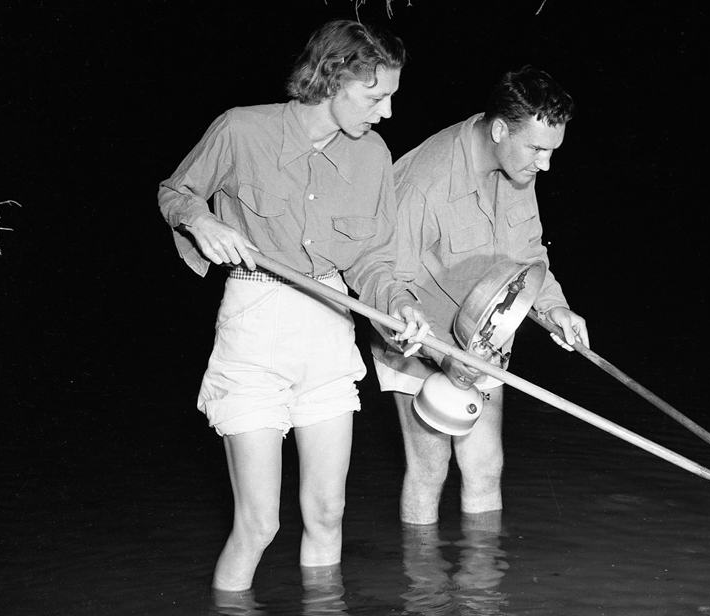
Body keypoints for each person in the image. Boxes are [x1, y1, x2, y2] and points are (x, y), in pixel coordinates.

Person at [157, 19, 429, 592]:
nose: (385, 113)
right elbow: (175, 191)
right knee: (259, 524)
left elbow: (374, 261)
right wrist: (201, 218)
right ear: (334, 76)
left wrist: (400, 306)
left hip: (330, 330)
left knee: (328, 516)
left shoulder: (374, 156)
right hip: (255, 325)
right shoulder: (240, 129)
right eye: (376, 96)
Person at [371, 67, 590, 525]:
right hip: (417, 342)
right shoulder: (423, 184)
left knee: (486, 468)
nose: (545, 165)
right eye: (537, 149)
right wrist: (442, 355)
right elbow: (385, 286)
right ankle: (425, 594)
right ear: (498, 129)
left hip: (485, 339)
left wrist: (555, 308)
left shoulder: (519, 169)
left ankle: (482, 593)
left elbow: (527, 253)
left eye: (552, 151)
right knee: (430, 470)